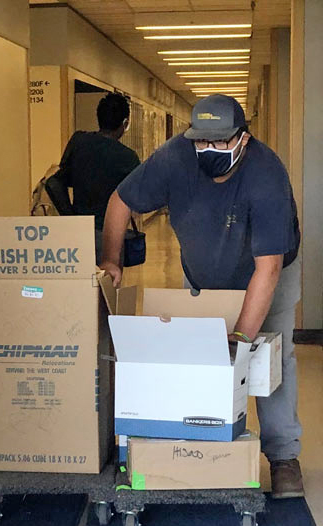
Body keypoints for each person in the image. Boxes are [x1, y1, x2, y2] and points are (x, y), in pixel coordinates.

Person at [100, 94, 303, 500]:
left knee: (269, 360)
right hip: (204, 275)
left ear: (242, 140)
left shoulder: (266, 174)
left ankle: (283, 457)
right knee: (197, 358)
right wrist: (111, 260)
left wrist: (241, 340)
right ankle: (201, 445)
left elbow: (268, 268)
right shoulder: (174, 158)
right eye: (201, 142)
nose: (208, 151)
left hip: (266, 273)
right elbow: (120, 201)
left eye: (219, 143)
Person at [45, 92, 140, 264]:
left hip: (78, 234)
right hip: (110, 237)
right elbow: (138, 201)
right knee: (107, 286)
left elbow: (54, 182)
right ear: (125, 124)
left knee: (80, 285)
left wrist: (72, 219)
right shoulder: (128, 157)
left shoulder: (79, 141)